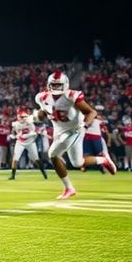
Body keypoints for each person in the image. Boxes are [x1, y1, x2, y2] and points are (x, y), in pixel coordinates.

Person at [34, 71, 116, 199]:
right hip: (59, 131)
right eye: (53, 85)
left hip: (75, 129)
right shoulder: (42, 97)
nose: (55, 88)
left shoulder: (71, 96)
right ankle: (103, 159)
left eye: (58, 85)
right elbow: (43, 114)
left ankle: (69, 188)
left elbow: (92, 112)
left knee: (53, 154)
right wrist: (39, 115)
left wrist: (85, 125)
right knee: (78, 163)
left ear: (65, 84)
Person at [8, 109, 46, 180]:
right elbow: (14, 133)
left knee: (36, 159)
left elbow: (38, 121)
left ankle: (43, 172)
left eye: (23, 117)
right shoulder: (16, 124)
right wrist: (13, 136)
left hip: (30, 142)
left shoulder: (30, 122)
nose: (22, 118)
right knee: (15, 158)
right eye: (21, 117)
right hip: (20, 142)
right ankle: (13, 175)